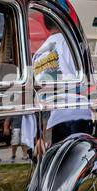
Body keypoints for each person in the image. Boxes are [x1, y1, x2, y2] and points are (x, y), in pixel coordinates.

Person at [31, 12, 90, 142]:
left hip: (54, 117)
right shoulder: (70, 44)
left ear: (46, 26)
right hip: (76, 113)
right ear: (64, 22)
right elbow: (86, 79)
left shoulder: (38, 54)